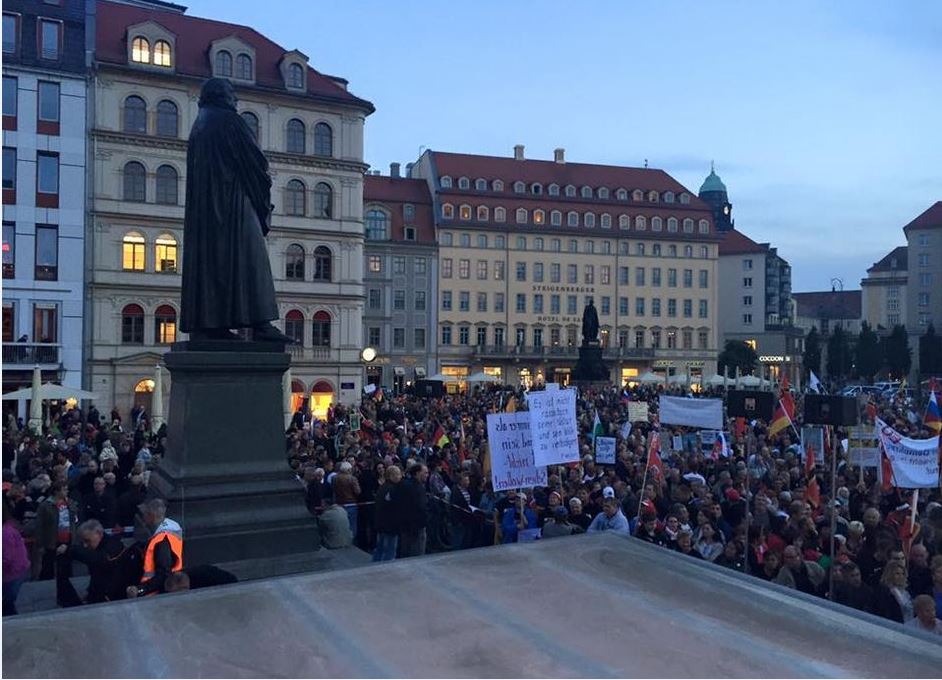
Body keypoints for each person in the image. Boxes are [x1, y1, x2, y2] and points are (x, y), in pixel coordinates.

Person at [179, 77, 290, 343]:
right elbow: (255, 162)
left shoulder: (199, 125)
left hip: (207, 213)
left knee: (212, 265)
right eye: (232, 94)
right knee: (252, 259)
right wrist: (263, 201)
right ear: (221, 96)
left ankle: (210, 325)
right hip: (233, 203)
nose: (236, 100)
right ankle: (261, 324)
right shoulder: (229, 121)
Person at [56, 519, 132, 604]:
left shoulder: (113, 547)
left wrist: (69, 550)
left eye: (88, 541)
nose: (85, 545)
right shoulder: (102, 548)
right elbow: (97, 574)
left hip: (113, 597)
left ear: (99, 534)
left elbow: (97, 559)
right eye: (83, 542)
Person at [128, 498, 183, 598]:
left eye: (145, 513)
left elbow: (163, 574)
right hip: (170, 585)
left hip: (156, 593)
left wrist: (141, 589)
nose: (143, 516)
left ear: (151, 515)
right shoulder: (171, 527)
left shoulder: (161, 539)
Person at [3, 500, 30, 615]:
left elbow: (7, 559)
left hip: (12, 573)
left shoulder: (5, 533)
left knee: (7, 603)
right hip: (15, 571)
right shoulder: (8, 529)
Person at [373, 465, 403, 562]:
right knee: (390, 549)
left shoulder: (382, 487)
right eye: (398, 474)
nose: (400, 476)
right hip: (391, 524)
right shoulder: (393, 489)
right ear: (391, 476)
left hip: (381, 522)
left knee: (380, 547)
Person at [398, 464, 429, 557]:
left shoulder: (404, 484)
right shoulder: (418, 488)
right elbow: (421, 506)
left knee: (406, 551)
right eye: (425, 473)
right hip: (417, 526)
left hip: (405, 525)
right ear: (417, 473)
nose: (427, 475)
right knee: (417, 552)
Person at [332, 461, 361, 535]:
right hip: (351, 504)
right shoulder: (352, 479)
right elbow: (357, 491)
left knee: (341, 526)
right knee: (352, 525)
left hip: (339, 504)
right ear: (348, 470)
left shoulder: (334, 478)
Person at [448, 472, 473, 551]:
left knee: (465, 539)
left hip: (467, 518)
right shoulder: (456, 491)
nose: (468, 482)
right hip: (459, 520)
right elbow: (456, 506)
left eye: (468, 480)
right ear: (461, 482)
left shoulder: (467, 490)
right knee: (458, 539)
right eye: (466, 480)